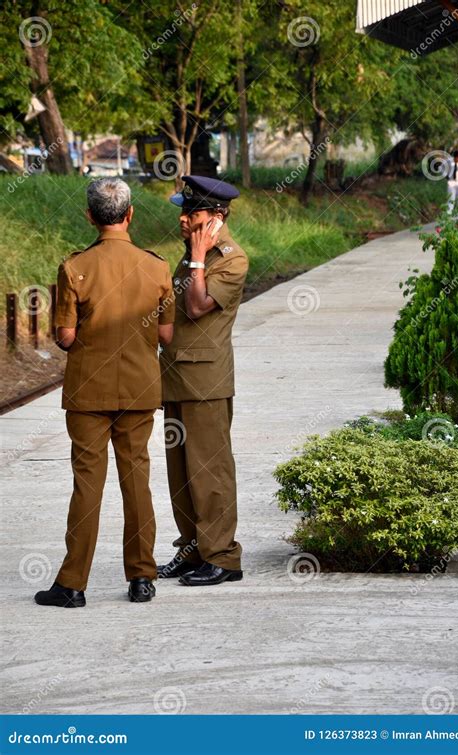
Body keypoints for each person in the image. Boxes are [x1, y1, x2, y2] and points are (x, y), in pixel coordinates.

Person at [34, 178, 175, 607]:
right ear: (130, 215)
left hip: (88, 393)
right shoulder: (157, 267)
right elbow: (166, 336)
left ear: (91, 216)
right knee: (137, 483)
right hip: (138, 390)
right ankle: (141, 579)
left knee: (87, 485)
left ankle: (73, 584)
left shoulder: (75, 267)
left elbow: (65, 336)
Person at [158, 175, 248, 586]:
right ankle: (193, 549)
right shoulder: (192, 254)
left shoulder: (230, 258)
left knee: (209, 471)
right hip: (176, 375)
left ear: (215, 217)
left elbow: (195, 307)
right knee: (181, 473)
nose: (181, 218)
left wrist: (196, 256)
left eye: (190, 212)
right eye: (182, 210)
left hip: (206, 382)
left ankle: (224, 557)